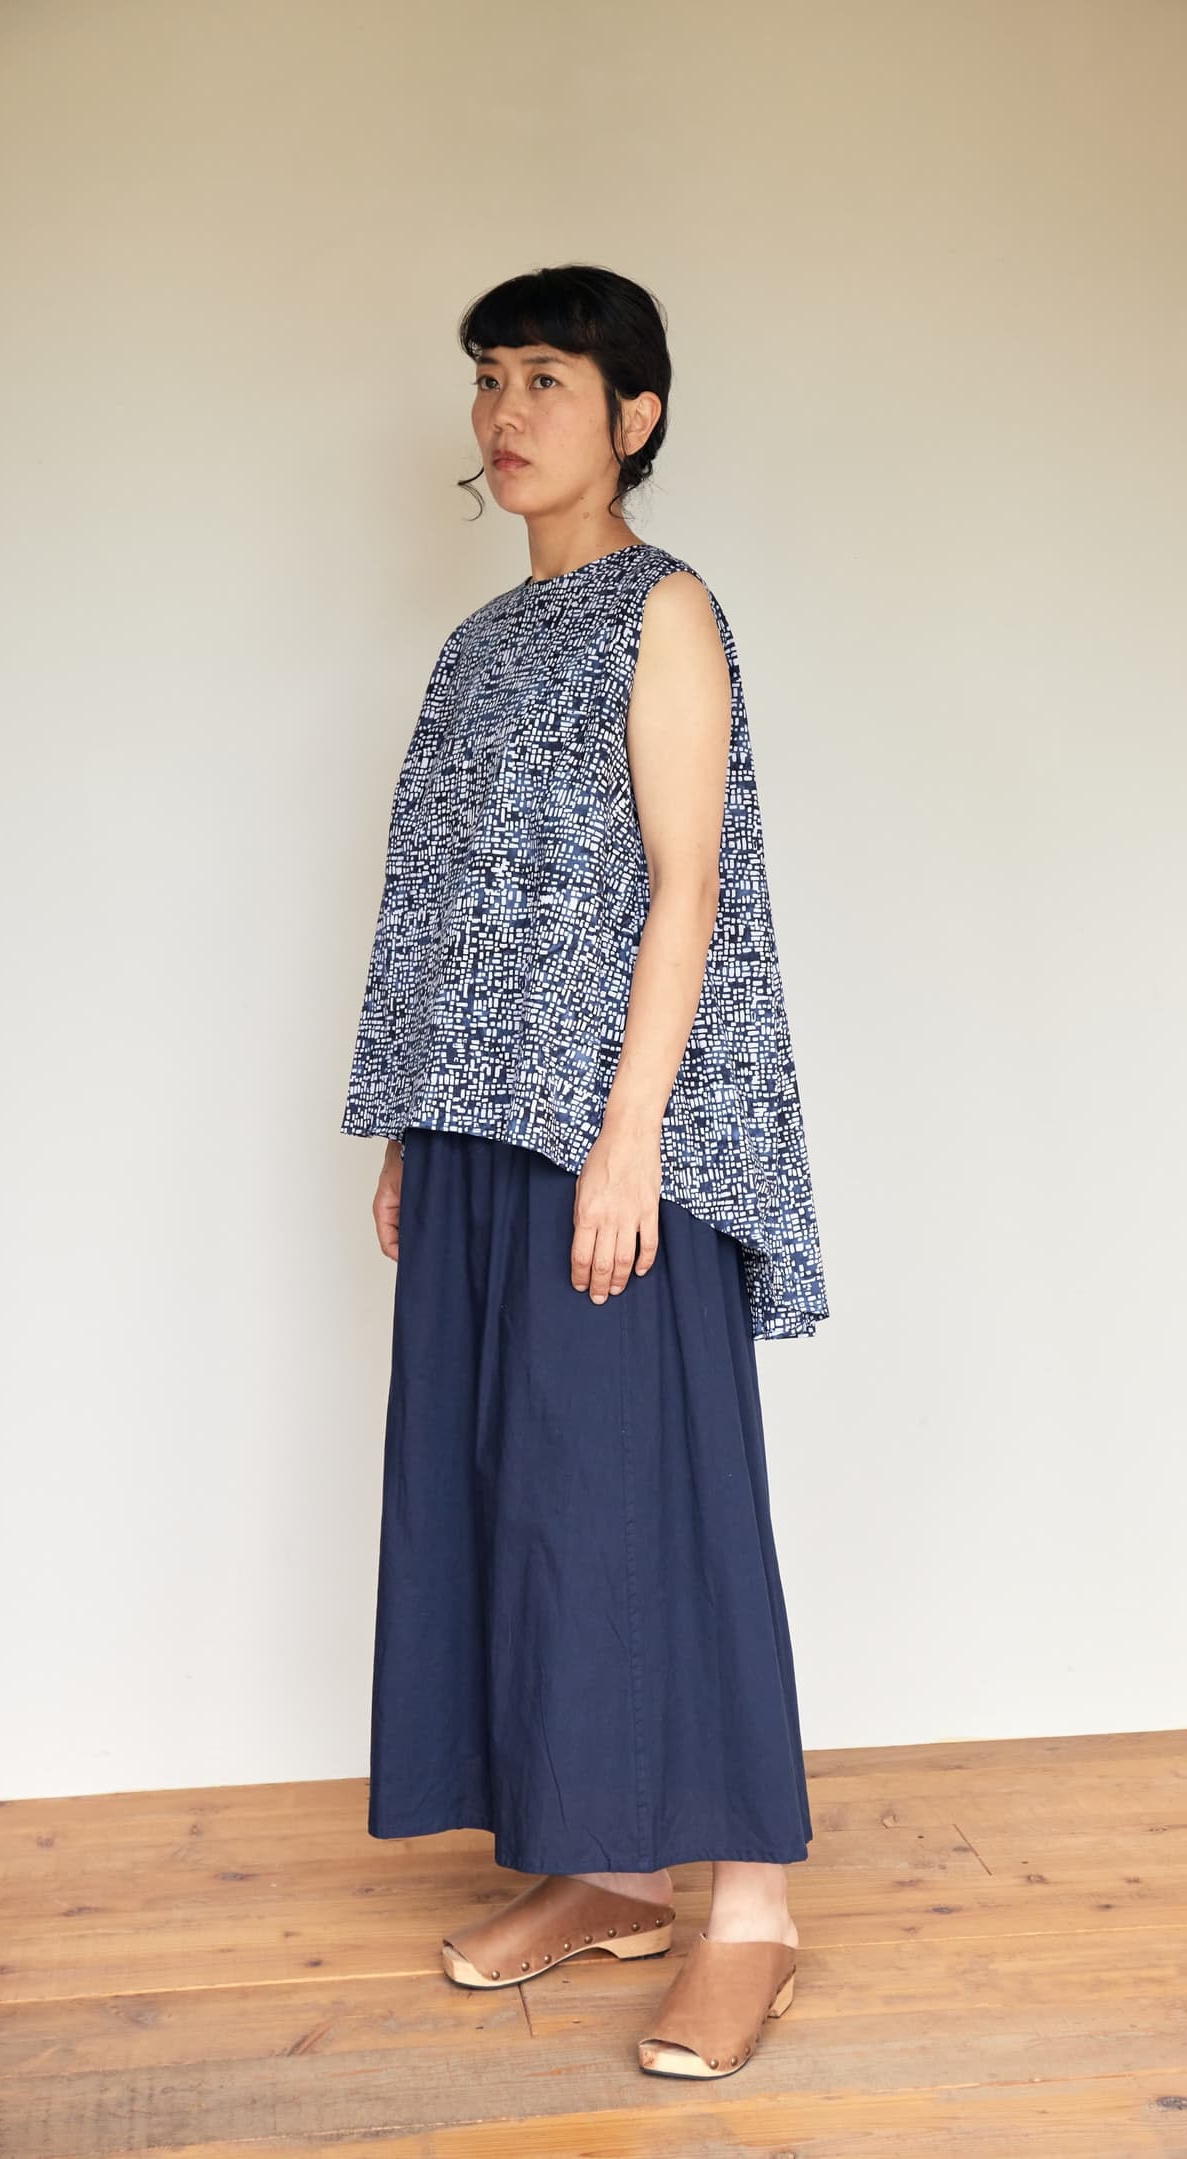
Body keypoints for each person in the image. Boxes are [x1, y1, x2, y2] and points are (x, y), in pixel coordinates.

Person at [340, 263, 830, 2083]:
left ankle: (752, 1919)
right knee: (527, 1498)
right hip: (481, 1137)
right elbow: (438, 913)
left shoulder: (664, 609)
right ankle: (612, 1870)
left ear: (634, 415)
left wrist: (629, 1135)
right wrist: (416, 1126)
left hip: (619, 1135)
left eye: (546, 378)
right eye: (489, 378)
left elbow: (687, 887)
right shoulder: (477, 648)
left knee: (666, 1500)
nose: (505, 412)